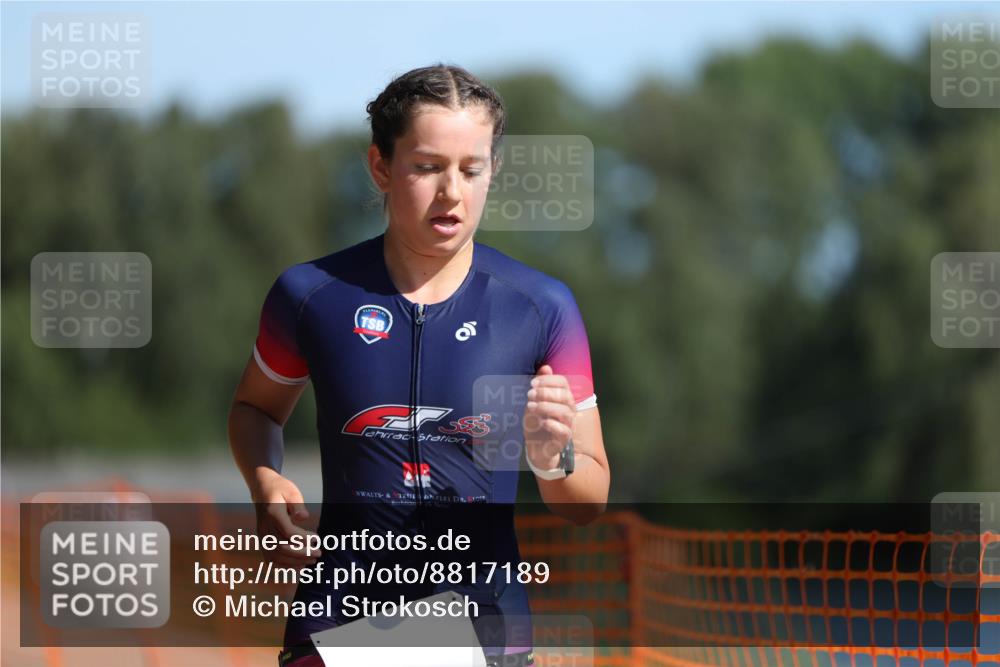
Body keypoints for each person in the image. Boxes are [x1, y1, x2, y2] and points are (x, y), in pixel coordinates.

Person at [228, 63, 610, 667]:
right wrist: (263, 480)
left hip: (483, 633)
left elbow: (585, 501)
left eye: (471, 169)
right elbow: (255, 409)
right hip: (336, 625)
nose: (452, 192)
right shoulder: (309, 295)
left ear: (493, 170)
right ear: (381, 166)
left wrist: (551, 455)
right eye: (428, 166)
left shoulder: (539, 307)